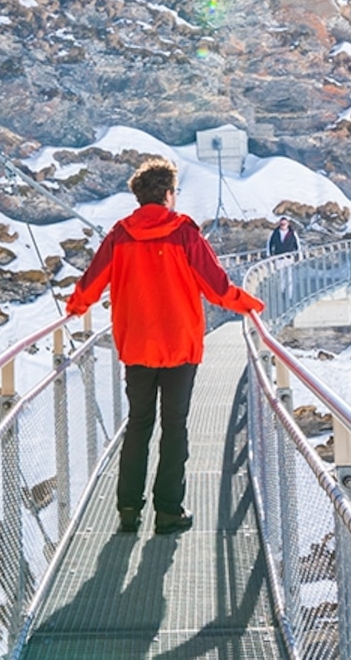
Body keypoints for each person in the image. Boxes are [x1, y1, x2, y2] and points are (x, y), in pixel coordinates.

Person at [64, 157, 263, 534]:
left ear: (139, 197)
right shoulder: (184, 233)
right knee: (175, 426)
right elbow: (217, 288)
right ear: (169, 195)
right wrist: (250, 304)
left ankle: (128, 508)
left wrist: (75, 307)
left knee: (138, 424)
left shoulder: (120, 235)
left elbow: (92, 283)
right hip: (179, 345)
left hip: (137, 346)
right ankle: (169, 511)